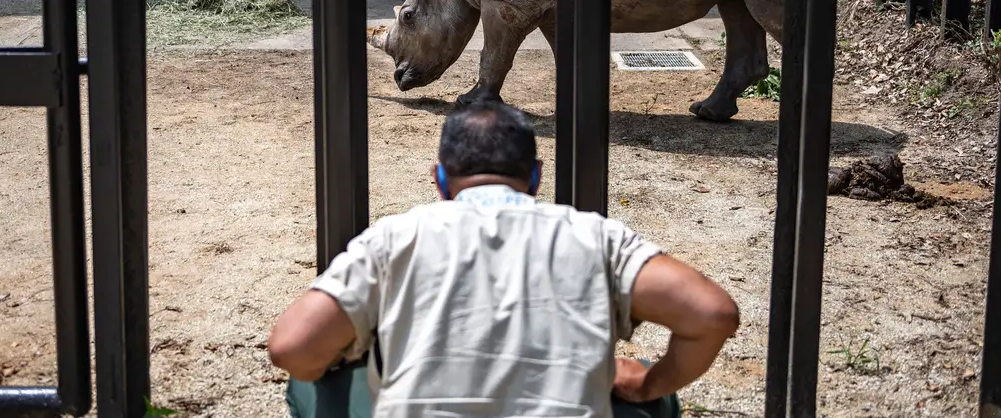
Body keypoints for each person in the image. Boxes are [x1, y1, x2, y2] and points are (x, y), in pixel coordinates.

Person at [267, 100, 740, 417]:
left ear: (440, 180)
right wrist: (649, 385)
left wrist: (346, 364)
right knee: (649, 398)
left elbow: (291, 347)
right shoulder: (596, 237)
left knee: (314, 383)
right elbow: (712, 312)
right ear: (535, 178)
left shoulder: (396, 237)